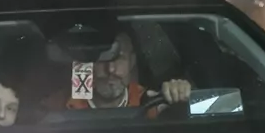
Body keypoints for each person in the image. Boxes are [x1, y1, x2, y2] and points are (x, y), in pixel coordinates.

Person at [58, 31, 192, 111]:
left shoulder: (151, 103)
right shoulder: (59, 107)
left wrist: (179, 96)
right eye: (102, 59)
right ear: (88, 64)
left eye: (119, 58)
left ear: (131, 61)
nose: (111, 69)